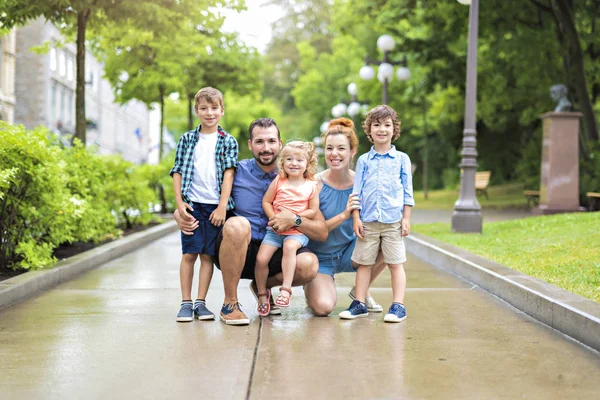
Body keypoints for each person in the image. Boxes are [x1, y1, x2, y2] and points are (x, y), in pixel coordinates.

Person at [174, 118, 327, 326]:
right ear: (250, 145)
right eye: (259, 142)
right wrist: (179, 212)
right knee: (238, 224)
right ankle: (230, 303)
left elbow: (321, 232)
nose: (266, 148)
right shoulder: (235, 172)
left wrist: (295, 219)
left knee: (309, 265)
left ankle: (262, 285)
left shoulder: (300, 179)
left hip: (280, 248)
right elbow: (202, 198)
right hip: (239, 249)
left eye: (271, 141)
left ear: (280, 144)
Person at [299, 118, 387, 316]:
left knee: (390, 240)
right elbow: (317, 229)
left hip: (352, 252)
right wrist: (344, 214)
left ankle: (360, 292)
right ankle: (310, 285)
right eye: (329, 148)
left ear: (352, 151)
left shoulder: (363, 182)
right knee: (323, 308)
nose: (334, 154)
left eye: (341, 148)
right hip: (320, 257)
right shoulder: (315, 184)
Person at [339, 105, 414, 323]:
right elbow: (357, 191)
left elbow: (407, 192)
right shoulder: (364, 160)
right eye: (376, 125)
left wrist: (406, 218)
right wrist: (356, 217)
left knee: (395, 263)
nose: (382, 129)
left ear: (394, 129)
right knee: (365, 263)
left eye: (387, 125)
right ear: (369, 130)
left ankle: (398, 306)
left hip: (393, 221)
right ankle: (359, 303)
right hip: (368, 221)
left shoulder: (402, 159)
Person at [170, 87, 238, 322]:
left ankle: (201, 302)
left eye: (214, 108)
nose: (209, 113)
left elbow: (229, 174)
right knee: (190, 253)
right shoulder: (187, 140)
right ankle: (185, 303)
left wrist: (222, 207)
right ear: (196, 111)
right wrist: (180, 202)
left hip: (215, 206)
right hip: (193, 205)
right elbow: (177, 171)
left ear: (222, 111)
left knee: (208, 256)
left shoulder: (228, 141)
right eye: (204, 108)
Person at [255, 141, 319, 316]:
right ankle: (262, 293)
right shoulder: (280, 181)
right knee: (261, 259)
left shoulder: (311, 185)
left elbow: (313, 210)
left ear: (308, 164)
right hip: (275, 230)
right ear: (282, 162)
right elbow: (266, 201)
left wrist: (295, 217)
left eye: (299, 160)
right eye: (289, 159)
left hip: (296, 232)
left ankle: (286, 289)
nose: (294, 163)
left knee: (290, 248)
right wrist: (273, 218)